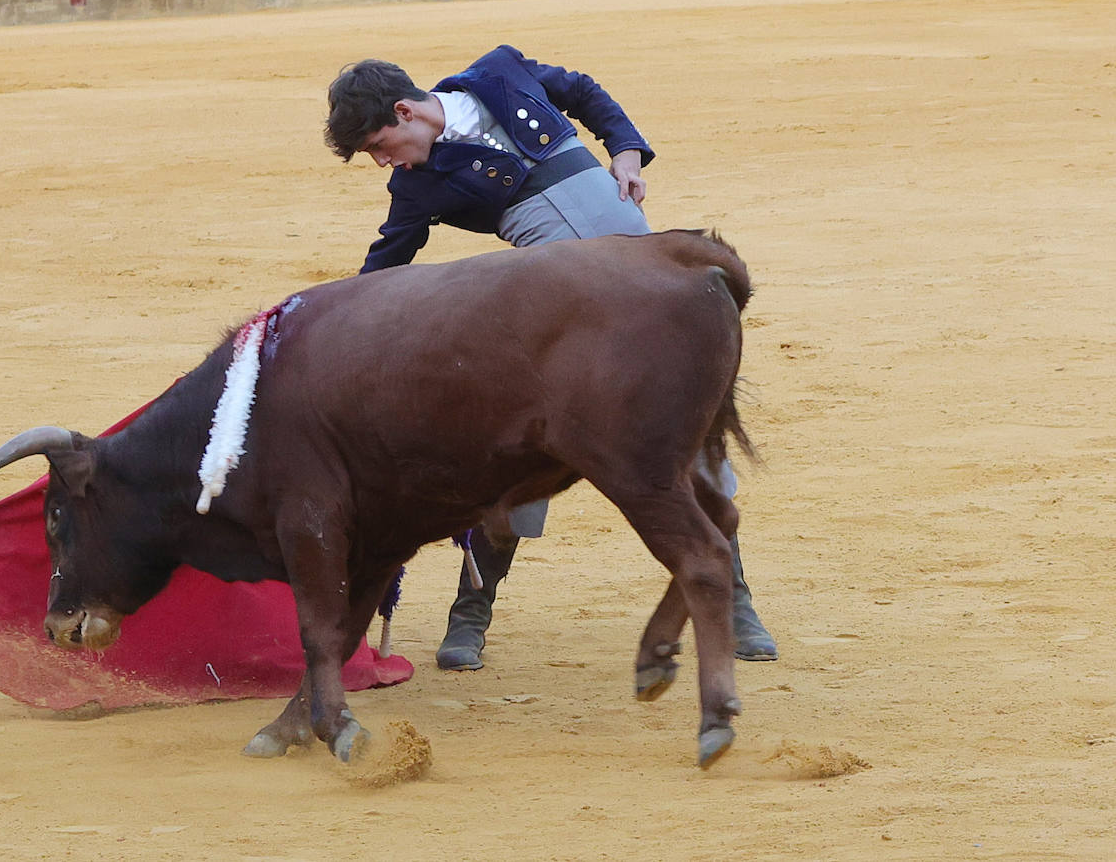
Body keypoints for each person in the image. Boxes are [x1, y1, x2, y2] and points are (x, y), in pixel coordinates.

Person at [324, 44, 777, 670]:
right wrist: (331, 322)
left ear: (406, 111)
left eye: (379, 145)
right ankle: (471, 613)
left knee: (691, 445)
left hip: (644, 300)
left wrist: (624, 149)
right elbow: (385, 263)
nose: (382, 161)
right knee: (512, 454)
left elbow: (583, 90)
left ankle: (733, 601)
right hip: (554, 324)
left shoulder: (498, 73)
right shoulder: (416, 186)